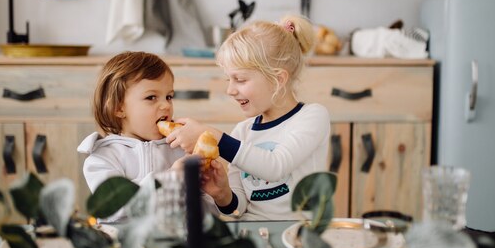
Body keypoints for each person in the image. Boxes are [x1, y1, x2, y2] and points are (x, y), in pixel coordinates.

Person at [166, 15, 331, 220]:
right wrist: (222, 194)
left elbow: (275, 166)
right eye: (229, 79)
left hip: (300, 237)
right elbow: (238, 210)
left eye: (240, 79)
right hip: (253, 237)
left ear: (278, 79)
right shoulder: (242, 132)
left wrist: (211, 135)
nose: (230, 90)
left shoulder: (312, 116)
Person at [77, 51, 189, 223]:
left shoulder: (180, 149)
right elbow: (114, 208)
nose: (166, 105)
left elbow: (204, 212)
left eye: (169, 97)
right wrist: (170, 178)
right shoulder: (102, 157)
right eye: (151, 97)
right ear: (118, 108)